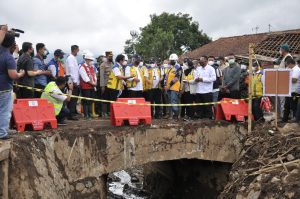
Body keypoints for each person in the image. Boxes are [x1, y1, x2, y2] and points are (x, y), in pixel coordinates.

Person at [0, 32, 25, 139]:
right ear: (11, 44)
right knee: (5, 112)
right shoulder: (9, 58)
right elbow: (13, 75)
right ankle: (2, 133)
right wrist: (21, 73)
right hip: (5, 88)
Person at [79, 52, 97, 119]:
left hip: (92, 87)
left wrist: (95, 82)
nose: (91, 61)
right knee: (86, 101)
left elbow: (94, 75)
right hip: (85, 87)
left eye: (92, 60)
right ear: (86, 59)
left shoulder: (92, 67)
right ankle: (86, 115)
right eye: (90, 60)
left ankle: (90, 113)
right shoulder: (82, 67)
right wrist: (93, 83)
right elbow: (85, 78)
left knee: (90, 100)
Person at [164, 53, 182, 119]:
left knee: (173, 101)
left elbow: (176, 78)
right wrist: (165, 85)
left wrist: (169, 85)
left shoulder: (178, 67)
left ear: (174, 60)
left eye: (171, 60)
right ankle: (171, 115)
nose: (169, 61)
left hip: (174, 87)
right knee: (170, 101)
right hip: (168, 87)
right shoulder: (170, 68)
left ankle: (176, 115)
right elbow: (166, 77)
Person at [66, 45, 80, 120]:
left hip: (74, 80)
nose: (78, 51)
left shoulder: (73, 58)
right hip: (72, 80)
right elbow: (72, 70)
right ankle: (70, 115)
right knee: (72, 98)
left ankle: (72, 113)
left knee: (75, 98)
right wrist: (74, 81)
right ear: (74, 50)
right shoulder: (70, 58)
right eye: (77, 50)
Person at [99, 52, 113, 117]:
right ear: (106, 56)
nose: (111, 57)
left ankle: (109, 111)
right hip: (105, 84)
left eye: (111, 56)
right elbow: (101, 76)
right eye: (109, 56)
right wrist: (102, 86)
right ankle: (104, 112)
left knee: (110, 98)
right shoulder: (103, 65)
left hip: (111, 85)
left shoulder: (112, 64)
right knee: (104, 98)